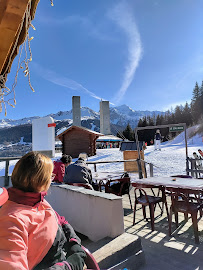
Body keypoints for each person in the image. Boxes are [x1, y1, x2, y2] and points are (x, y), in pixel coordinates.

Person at [0, 151, 86, 270]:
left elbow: (60, 220)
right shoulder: (11, 221)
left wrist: (73, 241)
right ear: (41, 180)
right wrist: (68, 266)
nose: (51, 180)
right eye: (50, 176)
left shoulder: (37, 201)